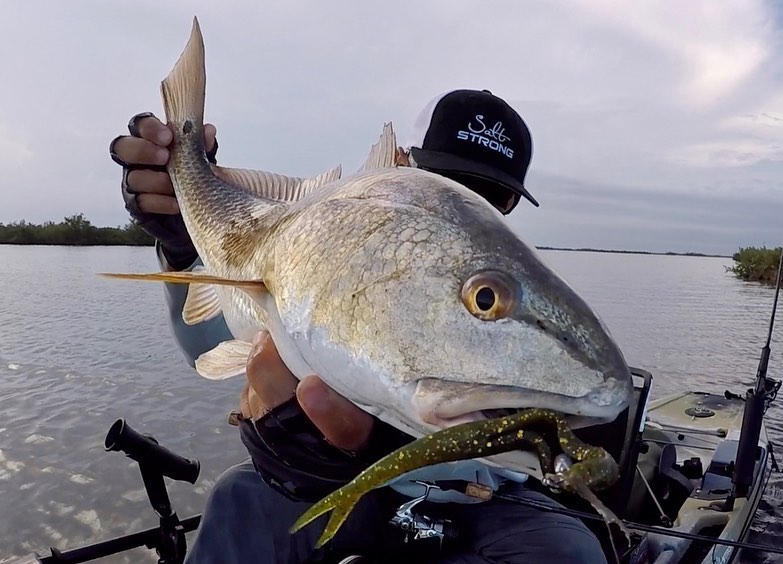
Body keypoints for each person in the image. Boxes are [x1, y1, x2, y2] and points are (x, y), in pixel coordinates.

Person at [109, 89, 607, 563]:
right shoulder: (326, 246)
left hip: (490, 498)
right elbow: (209, 346)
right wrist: (183, 247)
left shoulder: (508, 306)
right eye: (446, 180)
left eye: (492, 198)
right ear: (403, 165)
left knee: (572, 553)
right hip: (324, 487)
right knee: (238, 500)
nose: (463, 209)